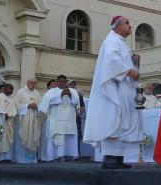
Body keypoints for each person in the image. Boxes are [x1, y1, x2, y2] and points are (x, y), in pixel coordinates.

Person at [84, 16, 144, 169]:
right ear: (117, 26)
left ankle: (117, 158)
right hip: (115, 90)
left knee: (122, 122)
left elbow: (120, 60)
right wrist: (130, 71)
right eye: (127, 23)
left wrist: (133, 60)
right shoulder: (112, 40)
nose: (130, 26)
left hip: (123, 88)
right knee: (115, 120)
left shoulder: (120, 42)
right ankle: (110, 158)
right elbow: (111, 61)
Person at [39, 75, 80, 162]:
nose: (62, 83)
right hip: (56, 119)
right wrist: (61, 95)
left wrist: (70, 95)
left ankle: (70, 155)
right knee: (58, 136)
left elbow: (76, 102)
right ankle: (56, 156)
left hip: (69, 120)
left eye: (64, 81)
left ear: (66, 82)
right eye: (60, 81)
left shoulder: (72, 91)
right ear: (57, 82)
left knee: (69, 136)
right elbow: (47, 102)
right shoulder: (51, 91)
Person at [0, 84, 21, 162]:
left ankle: (7, 158)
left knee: (8, 139)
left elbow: (15, 109)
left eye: (13, 89)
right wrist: (3, 113)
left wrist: (9, 115)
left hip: (9, 121)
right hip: (0, 120)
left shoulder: (12, 99)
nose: (12, 90)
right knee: (1, 139)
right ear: (5, 89)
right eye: (10, 88)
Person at [15, 78, 43, 163]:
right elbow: (17, 104)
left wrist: (37, 106)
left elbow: (41, 104)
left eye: (35, 83)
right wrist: (27, 105)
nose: (33, 84)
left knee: (34, 136)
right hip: (25, 118)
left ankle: (32, 158)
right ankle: (22, 158)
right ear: (27, 83)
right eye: (31, 82)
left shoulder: (37, 93)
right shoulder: (21, 92)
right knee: (24, 136)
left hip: (34, 117)